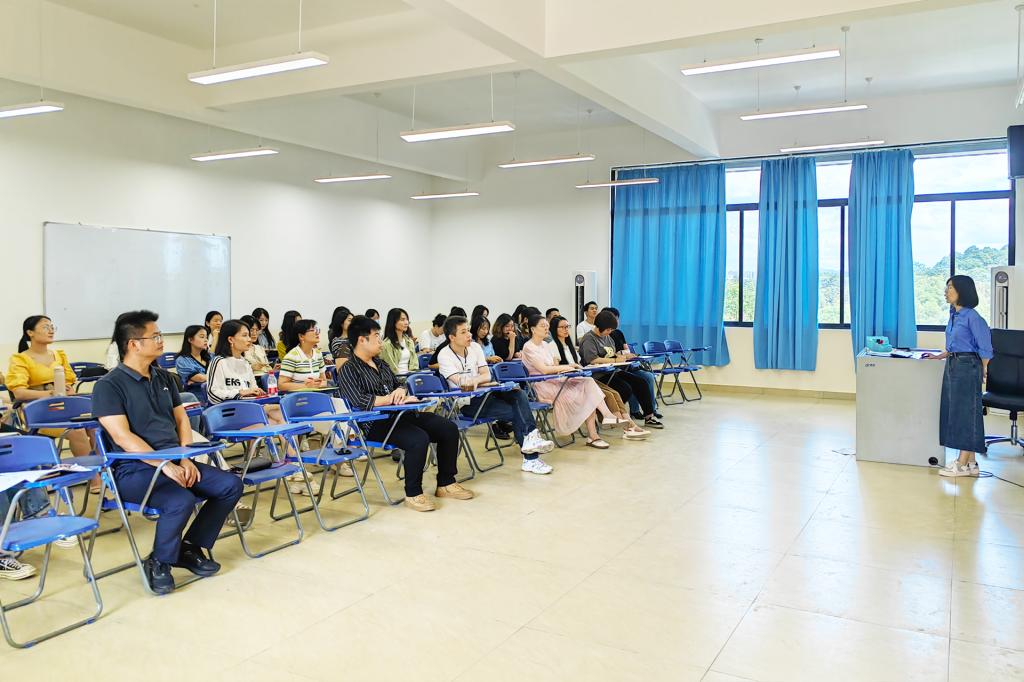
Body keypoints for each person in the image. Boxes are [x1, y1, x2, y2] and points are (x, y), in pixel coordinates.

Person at [92, 310, 244, 595]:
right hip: (132, 469)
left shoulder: (165, 378)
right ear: (134, 344)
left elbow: (182, 420)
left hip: (174, 460)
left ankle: (189, 547)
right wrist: (164, 464)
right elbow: (122, 437)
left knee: (230, 484)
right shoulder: (108, 386)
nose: (162, 340)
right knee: (180, 499)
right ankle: (159, 562)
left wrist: (184, 458)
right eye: (156, 336)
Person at [337, 315, 472, 512]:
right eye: (376, 336)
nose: (380, 341)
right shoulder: (349, 369)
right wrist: (390, 398)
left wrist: (401, 392)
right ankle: (413, 494)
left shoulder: (380, 364)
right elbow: (359, 401)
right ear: (362, 340)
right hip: (375, 423)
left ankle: (446, 483)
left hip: (401, 415)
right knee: (418, 438)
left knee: (448, 428)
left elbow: (399, 385)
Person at [437, 316, 556, 474]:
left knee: (518, 394)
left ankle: (532, 439)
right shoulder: (444, 355)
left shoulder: (475, 347)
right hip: (468, 404)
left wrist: (477, 381)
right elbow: (461, 382)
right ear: (452, 337)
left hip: (488, 393)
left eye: (468, 330)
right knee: (518, 412)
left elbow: (487, 375)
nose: (469, 335)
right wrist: (479, 380)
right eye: (463, 332)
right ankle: (531, 457)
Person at [520, 314, 632, 448]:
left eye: (547, 326)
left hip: (556, 380)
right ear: (533, 329)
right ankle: (593, 436)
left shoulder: (545, 345)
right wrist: (567, 367)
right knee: (586, 395)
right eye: (542, 326)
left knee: (588, 381)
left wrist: (567, 367)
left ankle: (606, 416)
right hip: (543, 385)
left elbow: (553, 366)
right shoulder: (528, 347)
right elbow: (544, 370)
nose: (546, 328)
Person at [924, 276, 994, 477]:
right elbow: (956, 345)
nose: (946, 292)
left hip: (967, 366)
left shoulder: (973, 316)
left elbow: (985, 346)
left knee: (966, 413)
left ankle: (961, 464)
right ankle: (972, 463)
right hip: (954, 363)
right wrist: (940, 356)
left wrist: (984, 369)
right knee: (956, 411)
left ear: (962, 291)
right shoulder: (954, 315)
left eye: (950, 288)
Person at [549, 316, 650, 440]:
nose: (566, 329)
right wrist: (575, 367)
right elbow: (557, 369)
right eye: (562, 327)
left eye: (567, 326)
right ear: (554, 329)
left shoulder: (569, 346)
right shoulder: (553, 346)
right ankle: (627, 428)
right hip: (570, 382)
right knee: (609, 394)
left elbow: (580, 364)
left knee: (614, 393)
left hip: (582, 378)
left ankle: (630, 425)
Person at [6, 315, 91, 456]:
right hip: (37, 411)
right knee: (77, 431)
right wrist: (50, 394)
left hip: (63, 406)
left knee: (95, 427)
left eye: (52, 327)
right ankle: (91, 470)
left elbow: (69, 380)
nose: (51, 331)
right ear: (30, 332)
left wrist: (68, 389)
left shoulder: (59, 355)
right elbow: (19, 393)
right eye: (45, 327)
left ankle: (101, 466)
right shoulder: (20, 359)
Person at [578, 311, 663, 429]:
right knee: (625, 388)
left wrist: (622, 356)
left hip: (612, 371)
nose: (610, 332)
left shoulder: (607, 337)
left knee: (641, 382)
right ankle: (607, 413)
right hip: (598, 374)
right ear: (599, 326)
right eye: (608, 329)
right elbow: (592, 359)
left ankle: (649, 417)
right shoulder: (589, 339)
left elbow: (611, 354)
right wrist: (615, 360)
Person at [603, 307, 663, 420]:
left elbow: (627, 350)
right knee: (633, 381)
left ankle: (652, 410)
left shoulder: (619, 333)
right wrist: (622, 354)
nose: (616, 321)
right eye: (613, 318)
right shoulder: (605, 335)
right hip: (617, 368)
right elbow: (610, 354)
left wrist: (623, 354)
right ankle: (635, 410)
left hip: (628, 365)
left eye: (617, 318)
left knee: (648, 376)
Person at [277, 320, 329, 392]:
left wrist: (318, 384)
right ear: (301, 336)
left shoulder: (318, 354)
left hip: (317, 395)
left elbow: (324, 381)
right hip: (299, 397)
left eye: (317, 329)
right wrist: (306, 386)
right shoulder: (291, 357)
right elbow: (281, 385)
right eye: (313, 330)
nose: (317, 333)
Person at [174, 325, 209, 404]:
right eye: (202, 337)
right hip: (196, 398)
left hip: (215, 394)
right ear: (190, 339)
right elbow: (200, 378)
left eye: (206, 337)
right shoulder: (182, 360)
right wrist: (216, 377)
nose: (206, 340)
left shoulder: (211, 356)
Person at [380, 308, 419, 375]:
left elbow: (414, 364)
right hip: (396, 378)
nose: (406, 322)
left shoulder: (409, 341)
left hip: (410, 376)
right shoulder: (387, 344)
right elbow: (391, 368)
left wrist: (413, 376)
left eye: (407, 319)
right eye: (402, 320)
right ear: (393, 322)